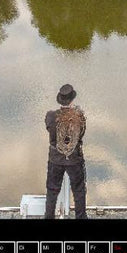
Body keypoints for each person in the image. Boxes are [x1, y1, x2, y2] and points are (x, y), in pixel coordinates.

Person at [44, 84, 87, 219]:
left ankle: (49, 217)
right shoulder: (79, 116)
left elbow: (49, 129)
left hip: (55, 158)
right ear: (72, 100)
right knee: (79, 190)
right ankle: (81, 217)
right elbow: (81, 134)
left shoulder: (51, 116)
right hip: (74, 158)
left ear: (60, 100)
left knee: (52, 190)